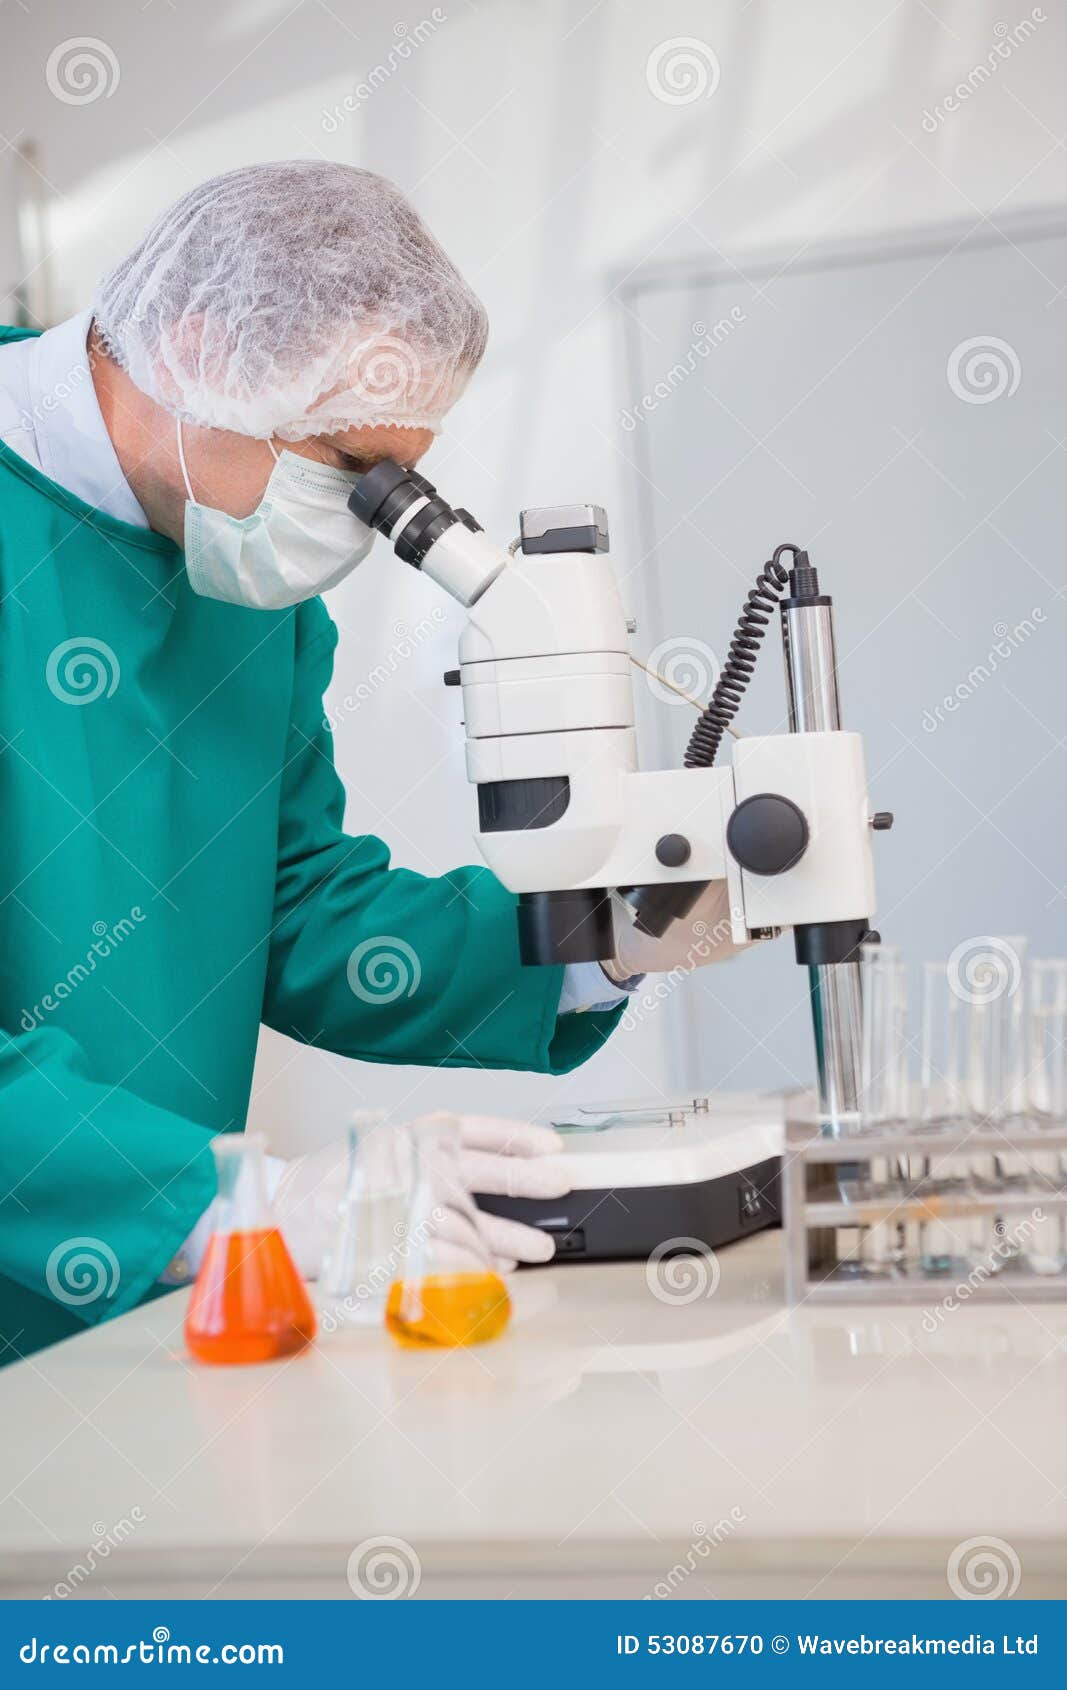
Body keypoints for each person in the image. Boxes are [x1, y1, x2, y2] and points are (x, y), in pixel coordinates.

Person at [0, 161, 744, 1364]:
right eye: (346, 466)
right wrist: (232, 1202)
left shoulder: (233, 556)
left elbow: (288, 903)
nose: (362, 517)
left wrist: (597, 936)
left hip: (149, 1317)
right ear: (196, 350)